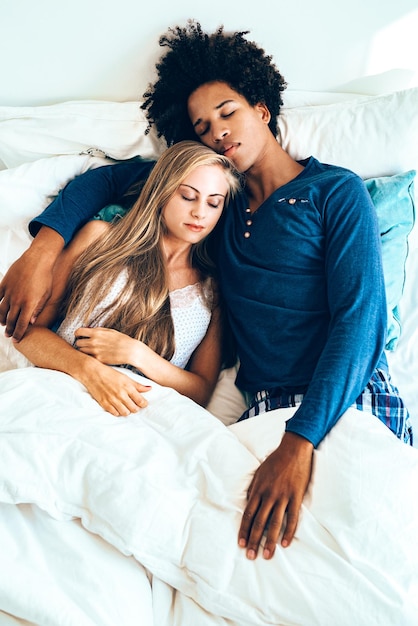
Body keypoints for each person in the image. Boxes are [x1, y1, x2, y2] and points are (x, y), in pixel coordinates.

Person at [0, 21, 411, 560]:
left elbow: (361, 320)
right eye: (202, 125)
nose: (217, 130)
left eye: (228, 111)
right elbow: (102, 181)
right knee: (257, 560)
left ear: (262, 109)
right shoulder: (212, 201)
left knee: (377, 553)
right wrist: (42, 249)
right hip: (261, 411)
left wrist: (300, 440)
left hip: (345, 398)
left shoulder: (335, 190)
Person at [9, 140, 241, 415]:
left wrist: (137, 355)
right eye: (188, 196)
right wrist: (89, 370)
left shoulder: (213, 289)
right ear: (161, 192)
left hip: (149, 417)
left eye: (214, 203)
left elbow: (201, 391)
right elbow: (28, 334)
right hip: (65, 397)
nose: (200, 212)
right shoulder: (99, 238)